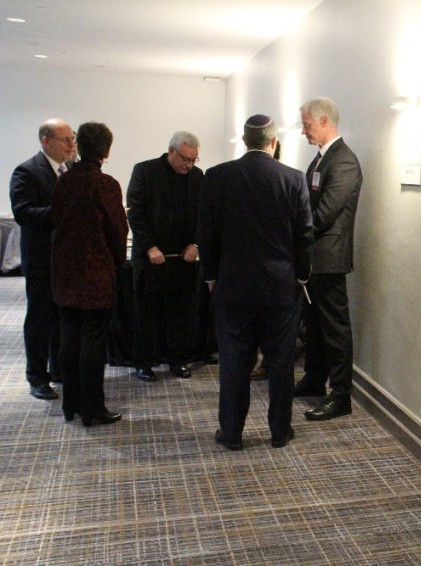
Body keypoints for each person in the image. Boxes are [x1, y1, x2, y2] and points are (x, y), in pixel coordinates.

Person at [197, 114, 313, 450]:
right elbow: (305, 236)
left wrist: (211, 276)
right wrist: (301, 276)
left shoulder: (217, 177)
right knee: (280, 364)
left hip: (232, 287)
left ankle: (231, 433)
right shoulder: (293, 179)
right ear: (273, 142)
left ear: (245, 140)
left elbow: (206, 232)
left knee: (234, 363)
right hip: (280, 288)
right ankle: (279, 432)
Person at [50, 121, 127, 426]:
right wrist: (117, 261)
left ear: (79, 146)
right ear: (107, 150)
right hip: (94, 275)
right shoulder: (105, 184)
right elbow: (117, 229)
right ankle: (92, 408)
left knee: (69, 338)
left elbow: (55, 220)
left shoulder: (64, 181)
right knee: (93, 345)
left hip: (65, 273)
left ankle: (71, 403)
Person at [295, 97, 362, 421]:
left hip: (329, 259)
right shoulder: (321, 159)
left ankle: (341, 395)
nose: (303, 131)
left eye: (307, 124)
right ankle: (313, 379)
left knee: (335, 328)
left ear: (324, 122)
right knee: (314, 324)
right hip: (313, 258)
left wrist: (294, 230)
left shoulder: (344, 161)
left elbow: (323, 215)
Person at [127, 131, 203, 381]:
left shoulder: (197, 177)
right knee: (147, 313)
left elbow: (203, 216)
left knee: (180, 312)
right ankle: (144, 362)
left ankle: (177, 359)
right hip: (151, 257)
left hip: (183, 259)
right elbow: (135, 213)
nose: (189, 165)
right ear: (171, 152)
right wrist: (150, 247)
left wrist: (195, 244)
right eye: (185, 159)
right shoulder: (145, 171)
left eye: (194, 160)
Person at [10, 118, 77, 400]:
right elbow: (23, 213)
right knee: (40, 320)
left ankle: (59, 369)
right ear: (45, 141)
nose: (72, 145)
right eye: (66, 140)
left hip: (68, 259)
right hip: (41, 259)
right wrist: (62, 212)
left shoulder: (72, 170)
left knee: (63, 318)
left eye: (72, 139)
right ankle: (37, 377)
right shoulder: (26, 171)